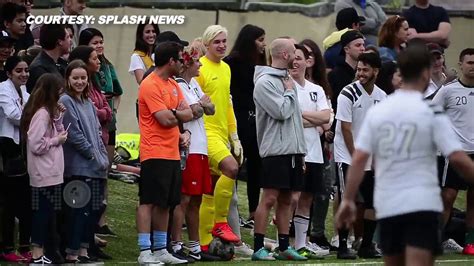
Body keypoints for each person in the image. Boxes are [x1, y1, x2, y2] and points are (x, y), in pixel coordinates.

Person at [335, 44, 474, 266]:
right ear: (426, 74)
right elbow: (457, 157)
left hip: (389, 203)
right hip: (422, 203)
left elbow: (360, 158)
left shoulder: (379, 110)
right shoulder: (431, 111)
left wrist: (348, 200)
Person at [135, 41, 192, 265]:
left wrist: (176, 114)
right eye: (180, 59)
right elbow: (165, 119)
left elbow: (188, 113)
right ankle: (145, 250)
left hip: (172, 153)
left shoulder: (174, 85)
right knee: (148, 201)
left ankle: (160, 249)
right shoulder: (150, 84)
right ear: (171, 61)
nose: (183, 63)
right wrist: (177, 114)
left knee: (166, 203)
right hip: (154, 152)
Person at [251, 38, 306, 261]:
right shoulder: (264, 82)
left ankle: (284, 247)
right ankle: (258, 247)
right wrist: (290, 92)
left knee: (286, 199)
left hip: (292, 150)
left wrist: (301, 149)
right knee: (269, 198)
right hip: (275, 150)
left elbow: (296, 119)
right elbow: (281, 111)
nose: (296, 55)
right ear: (285, 55)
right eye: (294, 52)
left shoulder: (287, 80)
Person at [195, 25, 245, 251]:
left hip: (221, 134)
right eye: (217, 42)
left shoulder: (226, 68)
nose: (222, 45)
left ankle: (205, 243)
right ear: (206, 44)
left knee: (210, 189)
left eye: (225, 41)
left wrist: (234, 135)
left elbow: (227, 105)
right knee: (231, 169)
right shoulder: (200, 69)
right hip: (206, 134)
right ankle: (221, 223)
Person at [334, 52, 386, 259]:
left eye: (365, 70)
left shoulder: (382, 97)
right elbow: (346, 128)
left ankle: (366, 245)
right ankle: (342, 246)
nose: (361, 73)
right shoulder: (347, 93)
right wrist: (357, 157)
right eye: (359, 69)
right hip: (347, 155)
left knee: (374, 202)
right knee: (351, 199)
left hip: (370, 155)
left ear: (376, 71)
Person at [171, 44, 220, 262]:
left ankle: (195, 246)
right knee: (184, 198)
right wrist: (200, 106)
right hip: (189, 148)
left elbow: (211, 109)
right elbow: (191, 113)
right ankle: (176, 243)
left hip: (201, 147)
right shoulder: (179, 85)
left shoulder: (194, 85)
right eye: (197, 61)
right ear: (188, 64)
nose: (201, 63)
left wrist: (200, 106)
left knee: (197, 199)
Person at [60, 59, 109, 263]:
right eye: (76, 78)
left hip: (96, 167)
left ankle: (83, 250)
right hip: (78, 167)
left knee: (91, 212)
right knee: (78, 212)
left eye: (83, 78)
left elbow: (97, 131)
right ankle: (72, 252)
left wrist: (102, 156)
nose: (80, 82)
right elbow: (74, 134)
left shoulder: (88, 102)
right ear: (68, 79)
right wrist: (92, 154)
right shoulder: (66, 101)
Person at [78, 27, 122, 239]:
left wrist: (111, 111)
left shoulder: (108, 66)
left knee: (105, 172)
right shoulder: (84, 74)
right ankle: (90, 224)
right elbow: (91, 106)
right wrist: (104, 110)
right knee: (93, 174)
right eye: (94, 43)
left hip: (108, 125)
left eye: (101, 42)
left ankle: (101, 221)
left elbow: (117, 93)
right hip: (94, 129)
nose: (99, 46)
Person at [223, 24, 266, 231]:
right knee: (236, 164)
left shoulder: (260, 65)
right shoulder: (232, 62)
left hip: (256, 121)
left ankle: (253, 211)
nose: (263, 44)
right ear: (250, 40)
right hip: (237, 119)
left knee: (256, 166)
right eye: (260, 40)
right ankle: (232, 211)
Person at [290, 44, 331, 259]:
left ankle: (300, 245)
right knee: (292, 198)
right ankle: (284, 243)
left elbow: (326, 118)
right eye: (292, 58)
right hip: (293, 150)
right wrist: (312, 118)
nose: (295, 62)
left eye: (299, 58)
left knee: (307, 199)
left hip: (314, 151)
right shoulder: (285, 87)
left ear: (308, 62)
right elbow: (289, 117)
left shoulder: (317, 90)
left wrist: (302, 116)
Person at [20, 74, 66, 265]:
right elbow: (36, 144)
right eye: (59, 90)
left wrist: (59, 117)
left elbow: (55, 131)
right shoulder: (41, 114)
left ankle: (43, 252)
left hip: (52, 172)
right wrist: (57, 140)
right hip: (44, 173)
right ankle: (37, 253)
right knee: (42, 214)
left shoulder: (49, 112)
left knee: (48, 214)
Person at [433, 48, 474, 255]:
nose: (473, 67)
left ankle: (470, 242)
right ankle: (437, 240)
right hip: (455, 153)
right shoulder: (448, 90)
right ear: (460, 65)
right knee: (447, 197)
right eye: (469, 63)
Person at [300, 39, 336, 251]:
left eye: (313, 54)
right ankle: (293, 238)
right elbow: (290, 115)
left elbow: (327, 117)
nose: (309, 58)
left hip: (319, 145)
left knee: (318, 192)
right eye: (306, 54)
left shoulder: (321, 86)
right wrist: (318, 120)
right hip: (299, 144)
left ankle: (313, 235)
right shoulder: (291, 84)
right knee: (295, 195)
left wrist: (321, 123)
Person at [0, 55, 31, 262]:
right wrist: (34, 115)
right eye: (19, 71)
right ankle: (7, 247)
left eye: (26, 70)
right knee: (8, 203)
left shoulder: (24, 91)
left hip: (21, 148)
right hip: (6, 148)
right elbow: (14, 115)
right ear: (9, 72)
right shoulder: (3, 89)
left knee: (24, 200)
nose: (24, 74)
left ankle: (25, 246)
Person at [328, 30, 365, 113]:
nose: (362, 48)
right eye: (358, 45)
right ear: (346, 49)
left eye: (363, 45)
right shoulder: (335, 75)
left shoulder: (364, 74)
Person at [26, 24, 71, 93]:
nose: (70, 41)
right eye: (68, 37)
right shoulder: (39, 69)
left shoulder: (62, 64)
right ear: (60, 42)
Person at [129, 21, 159, 85]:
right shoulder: (137, 56)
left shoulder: (158, 54)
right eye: (147, 32)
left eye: (153, 31)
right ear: (141, 35)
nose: (151, 35)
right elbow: (141, 81)